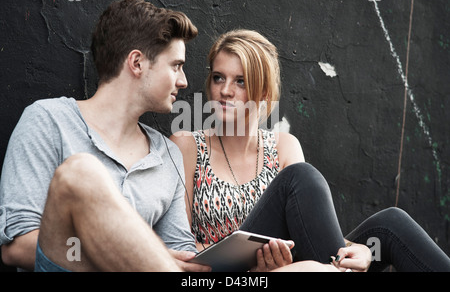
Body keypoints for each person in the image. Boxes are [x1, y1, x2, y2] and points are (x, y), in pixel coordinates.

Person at [170, 29, 450, 272]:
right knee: (300, 177)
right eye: (218, 78)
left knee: (391, 224)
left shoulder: (282, 146)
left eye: (240, 81)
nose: (225, 91)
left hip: (295, 266)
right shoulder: (187, 146)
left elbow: (311, 232)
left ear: (264, 91)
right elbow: (180, 249)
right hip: (229, 274)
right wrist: (254, 261)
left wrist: (363, 251)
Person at [0, 0, 210, 272]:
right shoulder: (48, 120)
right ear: (137, 63)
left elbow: (181, 254)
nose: (183, 81)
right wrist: (135, 259)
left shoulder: (167, 153)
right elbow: (16, 246)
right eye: (175, 66)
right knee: (81, 171)